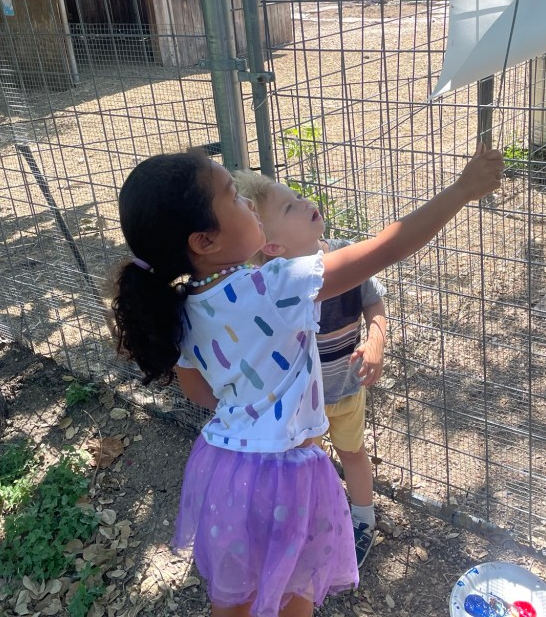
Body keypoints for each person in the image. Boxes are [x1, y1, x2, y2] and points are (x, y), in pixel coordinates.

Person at [110, 146, 502, 617]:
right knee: (296, 587)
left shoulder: (180, 306)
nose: (248, 203)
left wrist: (255, 400)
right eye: (234, 196)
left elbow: (199, 392)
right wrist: (461, 190)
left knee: (236, 594)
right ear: (205, 241)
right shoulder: (273, 285)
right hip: (285, 474)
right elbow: (387, 247)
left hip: (223, 470)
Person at [233, 170, 386, 566]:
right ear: (272, 246)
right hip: (301, 405)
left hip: (346, 389)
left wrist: (376, 340)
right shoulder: (270, 285)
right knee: (306, 466)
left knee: (353, 453)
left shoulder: (347, 256)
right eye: (290, 207)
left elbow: (374, 303)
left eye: (298, 197)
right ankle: (313, 524)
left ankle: (364, 520)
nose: (305, 202)